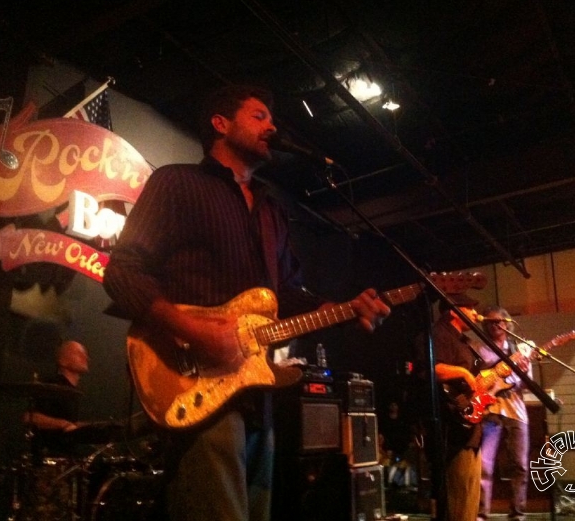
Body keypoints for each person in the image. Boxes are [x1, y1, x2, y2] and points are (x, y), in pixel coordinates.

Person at [102, 84, 390, 521]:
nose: (272, 126)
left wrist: (346, 308)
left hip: (255, 391)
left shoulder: (272, 212)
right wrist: (193, 331)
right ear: (220, 124)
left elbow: (286, 296)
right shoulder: (177, 183)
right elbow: (122, 271)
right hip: (194, 383)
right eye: (259, 116)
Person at [428, 292, 484, 521]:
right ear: (454, 310)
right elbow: (430, 369)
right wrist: (462, 372)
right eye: (470, 308)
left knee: (470, 499)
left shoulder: (465, 341)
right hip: (452, 428)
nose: (475, 313)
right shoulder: (438, 334)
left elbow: (478, 380)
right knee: (458, 498)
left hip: (471, 428)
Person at [474, 306, 532, 521]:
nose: (494, 325)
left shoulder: (520, 350)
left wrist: (524, 373)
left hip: (516, 412)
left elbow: (525, 386)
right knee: (485, 466)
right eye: (489, 322)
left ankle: (517, 513)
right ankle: (481, 514)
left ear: (507, 323)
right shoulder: (480, 350)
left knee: (519, 465)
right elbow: (477, 381)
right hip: (489, 411)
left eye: (498, 321)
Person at [23, 339, 88, 459]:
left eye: (85, 354)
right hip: (49, 457)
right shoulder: (52, 386)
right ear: (62, 361)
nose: (85, 357)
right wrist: (63, 424)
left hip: (68, 457)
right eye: (79, 353)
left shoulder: (73, 391)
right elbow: (30, 417)